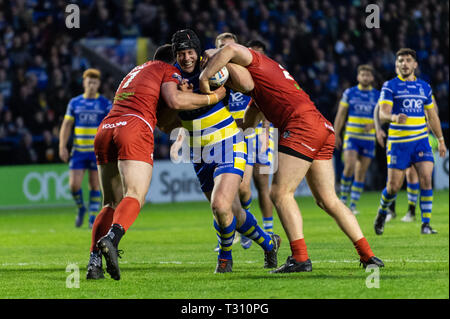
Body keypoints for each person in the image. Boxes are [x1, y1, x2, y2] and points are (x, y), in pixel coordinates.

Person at [198, 42, 384, 273]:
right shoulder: (262, 90)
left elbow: (229, 48)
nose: (234, 88)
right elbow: (245, 124)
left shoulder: (255, 61)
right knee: (328, 199)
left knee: (279, 192)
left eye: (229, 81)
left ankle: (300, 258)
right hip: (320, 126)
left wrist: (205, 76)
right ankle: (367, 255)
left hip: (301, 126)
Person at [86, 44, 227, 280]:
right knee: (135, 195)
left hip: (107, 127)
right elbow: (174, 101)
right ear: (172, 62)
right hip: (133, 127)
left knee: (110, 202)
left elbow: (162, 116)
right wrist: (212, 97)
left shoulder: (134, 73)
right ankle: (111, 238)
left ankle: (93, 264)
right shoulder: (167, 69)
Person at [170, 29, 280, 273]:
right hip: (199, 153)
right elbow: (171, 113)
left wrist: (224, 60)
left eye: (190, 52)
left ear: (198, 51)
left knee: (220, 205)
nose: (186, 57)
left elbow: (249, 84)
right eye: (181, 53)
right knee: (232, 212)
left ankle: (225, 257)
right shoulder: (171, 78)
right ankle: (269, 243)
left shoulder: (213, 66)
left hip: (229, 142)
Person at [373, 48, 447, 235]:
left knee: (426, 179)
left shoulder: (425, 87)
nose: (404, 64)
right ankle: (382, 212)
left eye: (407, 60)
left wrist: (440, 139)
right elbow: (382, 113)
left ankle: (426, 224)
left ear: (415, 64)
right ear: (396, 65)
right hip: (398, 143)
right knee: (393, 187)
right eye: (400, 61)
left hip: (421, 141)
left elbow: (432, 116)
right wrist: (394, 117)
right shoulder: (390, 86)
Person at [214, 33, 275, 250]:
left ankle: (264, 230)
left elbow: (265, 103)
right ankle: (245, 226)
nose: (226, 50)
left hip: (257, 133)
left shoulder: (250, 73)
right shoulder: (218, 76)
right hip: (234, 136)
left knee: (263, 185)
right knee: (243, 189)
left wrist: (267, 134)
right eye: (222, 46)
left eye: (229, 46)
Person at [374, 95, 441, 223]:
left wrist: (428, 124)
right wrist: (378, 129)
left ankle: (411, 210)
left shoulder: (422, 89)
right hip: (397, 140)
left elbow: (434, 109)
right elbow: (378, 108)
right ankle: (389, 210)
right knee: (393, 181)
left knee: (412, 174)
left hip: (416, 139)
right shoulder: (393, 88)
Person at [59, 69, 111, 228]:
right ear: (84, 82)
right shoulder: (74, 102)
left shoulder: (104, 103)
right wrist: (62, 146)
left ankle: (92, 217)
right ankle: (81, 208)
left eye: (95, 82)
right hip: (79, 151)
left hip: (97, 151)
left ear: (99, 84)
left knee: (95, 185)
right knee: (74, 185)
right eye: (89, 82)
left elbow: (110, 126)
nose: (92, 85)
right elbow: (66, 125)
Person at [334, 65, 379, 215]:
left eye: (368, 75)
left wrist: (374, 123)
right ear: (358, 77)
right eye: (363, 75)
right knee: (349, 167)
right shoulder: (350, 93)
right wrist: (336, 133)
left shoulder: (378, 95)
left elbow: (383, 116)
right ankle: (343, 200)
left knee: (361, 173)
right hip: (352, 136)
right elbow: (341, 114)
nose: (365, 77)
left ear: (372, 78)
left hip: (368, 139)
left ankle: (352, 206)